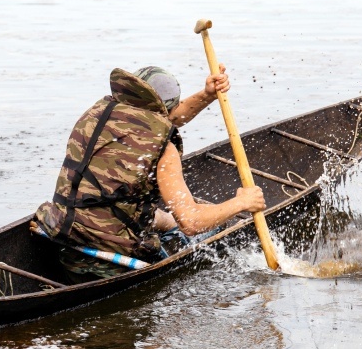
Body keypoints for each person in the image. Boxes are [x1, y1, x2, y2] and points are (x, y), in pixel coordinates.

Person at [33, 64, 266, 281]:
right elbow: (192, 223)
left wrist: (207, 94)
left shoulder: (99, 113)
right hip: (107, 262)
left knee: (162, 218)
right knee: (198, 224)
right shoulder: (164, 150)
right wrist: (242, 203)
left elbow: (164, 119)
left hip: (62, 230)